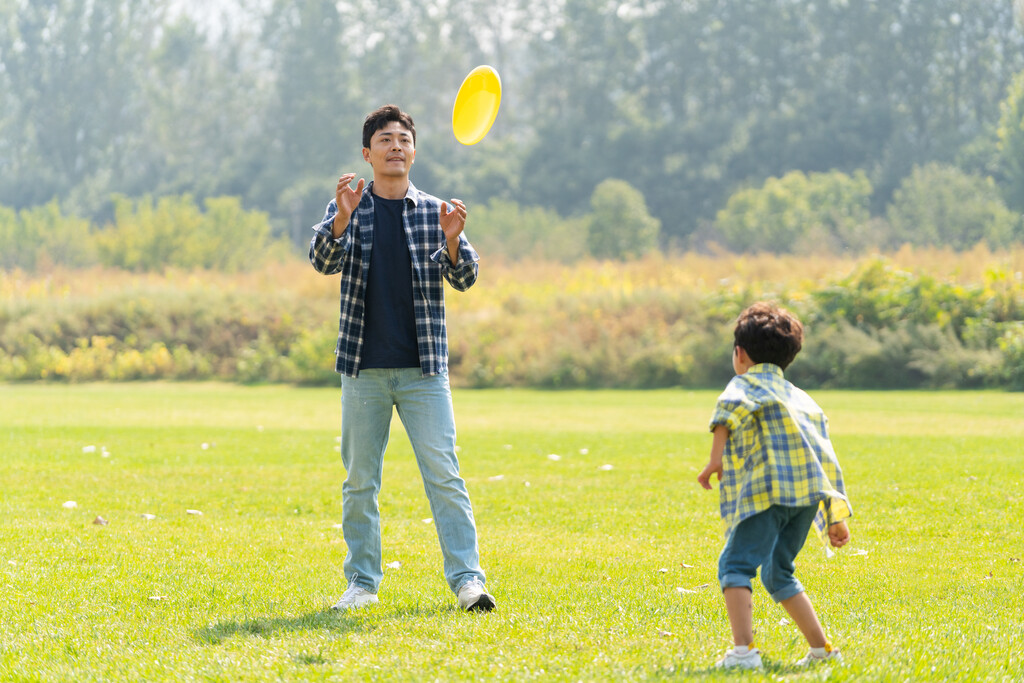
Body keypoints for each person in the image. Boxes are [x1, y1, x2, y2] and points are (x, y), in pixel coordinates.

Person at [309, 104, 494, 612]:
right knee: (360, 481)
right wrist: (342, 218)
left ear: (414, 151)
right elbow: (322, 261)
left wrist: (453, 243)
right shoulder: (348, 205)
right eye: (385, 140)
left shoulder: (436, 212)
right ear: (368, 154)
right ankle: (362, 584)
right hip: (363, 370)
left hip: (424, 372)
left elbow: (465, 278)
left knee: (445, 476)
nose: (396, 147)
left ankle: (468, 581)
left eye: (404, 139)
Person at [697, 302, 851, 669]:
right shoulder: (803, 399)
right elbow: (824, 456)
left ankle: (743, 653)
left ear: (740, 353)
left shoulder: (744, 383)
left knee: (734, 566)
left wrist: (715, 458)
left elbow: (725, 412)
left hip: (767, 493)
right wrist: (834, 515)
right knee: (778, 572)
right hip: (805, 501)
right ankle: (822, 650)